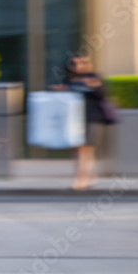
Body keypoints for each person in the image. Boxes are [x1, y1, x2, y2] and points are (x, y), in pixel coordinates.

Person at [53, 55, 112, 190]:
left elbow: (103, 95)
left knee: (85, 149)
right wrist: (61, 90)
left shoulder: (94, 77)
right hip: (74, 119)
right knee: (79, 150)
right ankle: (90, 177)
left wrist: (95, 85)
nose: (79, 66)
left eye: (83, 63)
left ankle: (81, 179)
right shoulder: (69, 81)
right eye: (75, 63)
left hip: (93, 118)